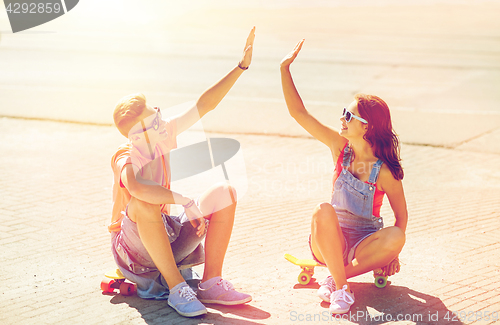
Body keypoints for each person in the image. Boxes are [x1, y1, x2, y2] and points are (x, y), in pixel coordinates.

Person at [109, 27, 256, 318]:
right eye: (154, 122)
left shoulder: (162, 134)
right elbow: (136, 188)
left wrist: (241, 67)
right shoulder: (126, 155)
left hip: (165, 233)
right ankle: (178, 290)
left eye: (158, 114)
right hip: (134, 252)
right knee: (143, 203)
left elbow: (204, 105)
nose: (162, 122)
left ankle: (210, 283)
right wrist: (184, 201)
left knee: (224, 193)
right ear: (137, 136)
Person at [280, 39, 407, 314]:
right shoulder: (340, 149)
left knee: (396, 236)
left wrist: (392, 254)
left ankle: (336, 279)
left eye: (348, 115)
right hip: (328, 242)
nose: (342, 118)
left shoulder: (384, 172)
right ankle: (343, 288)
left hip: (363, 244)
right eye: (343, 112)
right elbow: (298, 113)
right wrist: (284, 69)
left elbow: (401, 218)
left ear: (367, 127)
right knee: (322, 210)